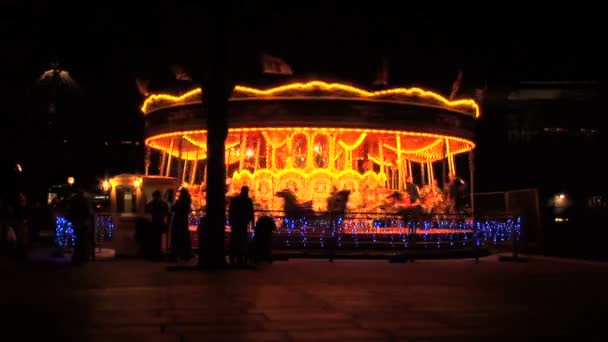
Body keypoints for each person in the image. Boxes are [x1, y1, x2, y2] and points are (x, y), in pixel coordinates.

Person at [228, 186, 254, 265]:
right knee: (241, 239)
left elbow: (231, 210)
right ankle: (239, 257)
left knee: (235, 239)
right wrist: (252, 222)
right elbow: (251, 212)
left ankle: (234, 256)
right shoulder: (248, 200)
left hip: (237, 222)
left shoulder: (235, 199)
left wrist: (231, 220)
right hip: (242, 222)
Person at [67, 189, 93, 265]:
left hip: (77, 222)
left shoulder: (74, 200)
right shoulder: (84, 200)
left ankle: (77, 258)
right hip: (83, 223)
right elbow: (88, 211)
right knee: (83, 240)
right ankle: (82, 258)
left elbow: (70, 211)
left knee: (78, 240)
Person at [144, 190, 169, 261]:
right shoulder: (163, 203)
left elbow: (147, 208)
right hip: (160, 223)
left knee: (155, 239)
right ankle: (158, 254)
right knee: (158, 240)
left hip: (155, 223)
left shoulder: (152, 203)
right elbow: (166, 211)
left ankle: (155, 254)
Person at [170, 188, 192, 261]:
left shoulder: (180, 201)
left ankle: (176, 255)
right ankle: (184, 255)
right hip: (184, 222)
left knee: (176, 238)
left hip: (178, 221)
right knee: (184, 238)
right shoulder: (188, 201)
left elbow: (173, 208)